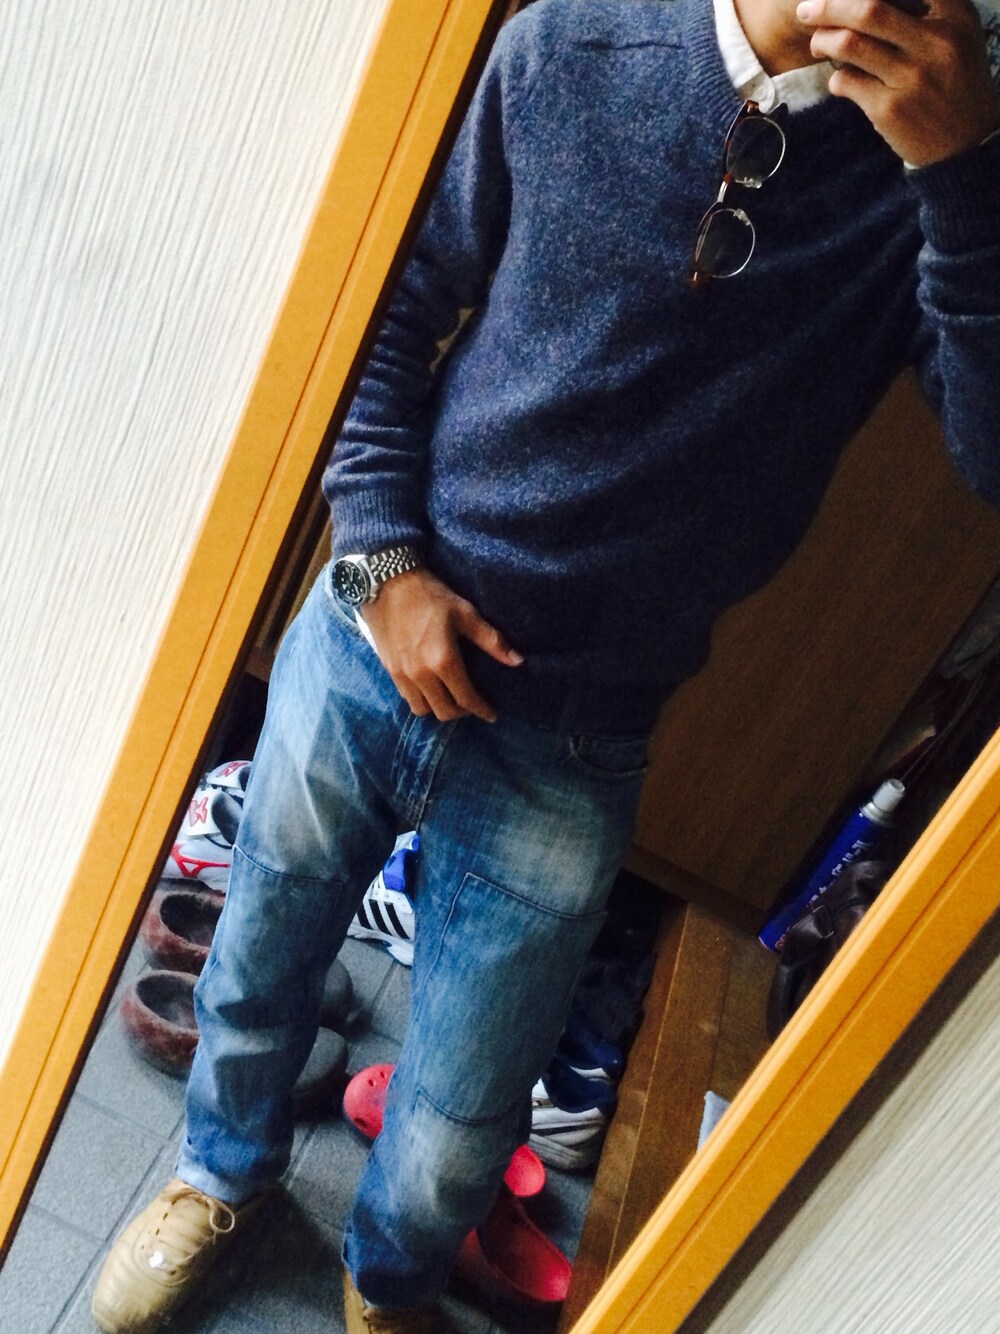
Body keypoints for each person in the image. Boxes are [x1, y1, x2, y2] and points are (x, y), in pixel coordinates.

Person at [92, 0, 1000, 1330]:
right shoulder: (570, 44)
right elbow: (386, 306)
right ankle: (220, 1174)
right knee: (258, 945)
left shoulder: (936, 176)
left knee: (465, 1113)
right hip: (368, 630)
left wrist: (964, 177)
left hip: (580, 731)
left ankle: (390, 1284)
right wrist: (379, 559)